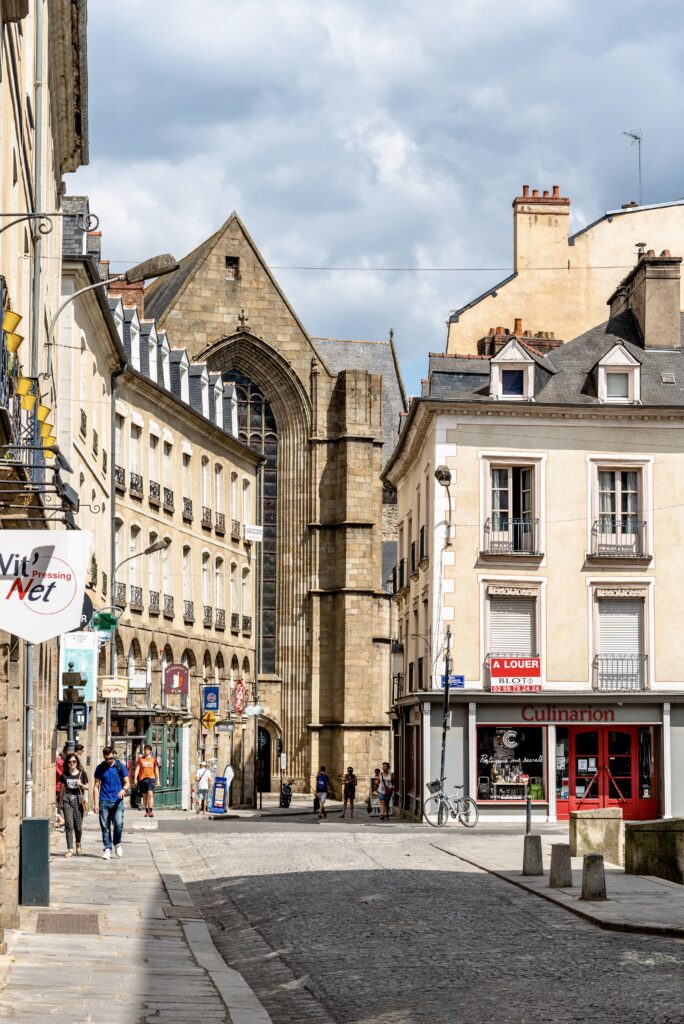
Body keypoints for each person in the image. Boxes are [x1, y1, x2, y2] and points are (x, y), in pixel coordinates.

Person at [93, 746, 129, 860]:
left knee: (118, 824)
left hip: (117, 801)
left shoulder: (120, 766)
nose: (110, 760)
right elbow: (96, 786)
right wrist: (95, 803)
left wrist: (123, 790)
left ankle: (117, 843)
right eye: (107, 759)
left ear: (114, 755)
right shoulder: (100, 768)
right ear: (104, 757)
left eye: (111, 758)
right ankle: (107, 848)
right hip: (104, 800)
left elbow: (127, 782)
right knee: (105, 826)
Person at [58, 751, 88, 857]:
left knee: (78, 826)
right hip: (67, 799)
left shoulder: (82, 773)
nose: (72, 764)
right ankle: (70, 848)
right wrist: (59, 805)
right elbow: (62, 790)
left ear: (77, 762)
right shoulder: (64, 775)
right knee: (69, 825)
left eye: (74, 761)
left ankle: (78, 844)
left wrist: (81, 785)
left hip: (78, 800)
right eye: (70, 762)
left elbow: (88, 787)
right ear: (67, 763)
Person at [134, 744, 161, 818]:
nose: (146, 751)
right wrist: (135, 778)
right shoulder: (141, 759)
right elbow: (137, 769)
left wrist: (158, 779)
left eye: (148, 749)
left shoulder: (153, 759)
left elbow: (156, 769)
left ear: (150, 751)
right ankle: (146, 811)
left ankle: (151, 811)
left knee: (150, 794)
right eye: (145, 749)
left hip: (151, 779)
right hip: (142, 779)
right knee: (145, 796)